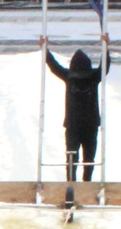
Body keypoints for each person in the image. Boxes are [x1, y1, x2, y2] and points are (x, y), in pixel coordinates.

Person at [46, 45, 111, 181]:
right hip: (91, 124)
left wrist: (45, 49)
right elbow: (104, 67)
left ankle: (71, 182)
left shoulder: (69, 76)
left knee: (71, 157)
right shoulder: (93, 77)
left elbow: (53, 66)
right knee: (89, 158)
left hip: (73, 125)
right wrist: (105, 48)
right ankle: (87, 182)